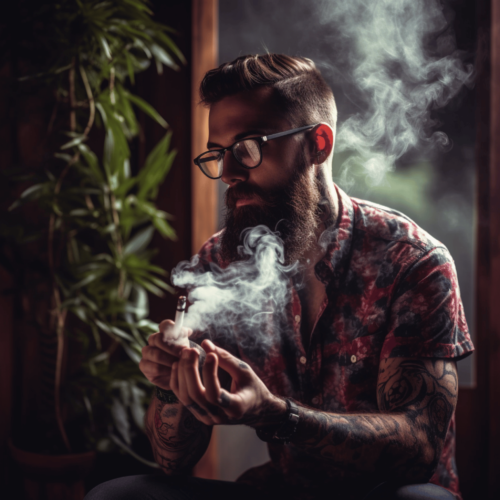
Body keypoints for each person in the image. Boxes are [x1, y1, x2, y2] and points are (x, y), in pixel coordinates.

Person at [86, 54, 474, 500]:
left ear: (318, 144)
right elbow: (173, 458)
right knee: (118, 495)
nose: (229, 174)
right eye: (219, 153)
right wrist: (172, 383)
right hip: (283, 490)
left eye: (248, 147)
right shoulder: (222, 260)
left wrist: (276, 415)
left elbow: (419, 450)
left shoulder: (412, 260)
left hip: (389, 496)